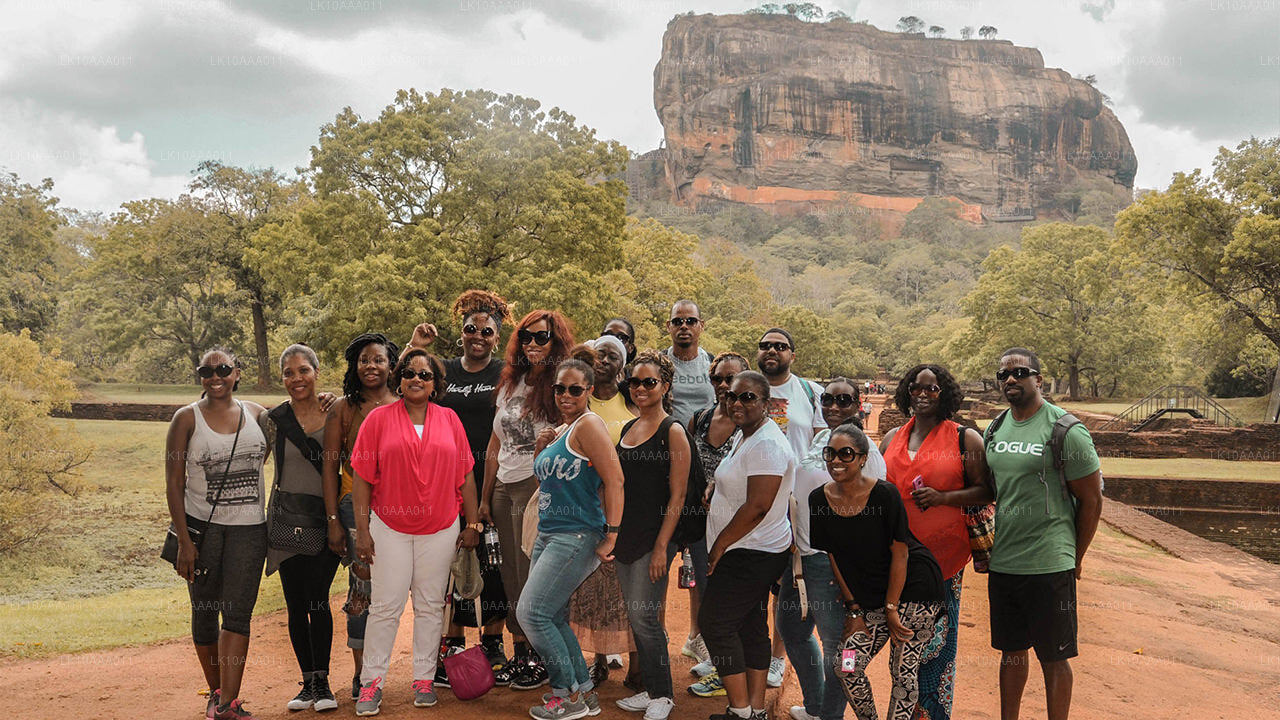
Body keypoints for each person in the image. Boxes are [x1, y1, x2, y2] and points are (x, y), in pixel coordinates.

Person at [350, 348, 483, 716]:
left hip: (440, 528)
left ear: (436, 384)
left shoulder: (450, 419)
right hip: (389, 527)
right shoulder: (378, 420)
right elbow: (362, 480)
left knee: (429, 608)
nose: (416, 380)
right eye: (409, 373)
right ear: (399, 378)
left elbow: (467, 476)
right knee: (385, 607)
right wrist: (362, 531)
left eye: (425, 375)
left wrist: (472, 524)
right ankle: (371, 683)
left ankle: (423, 679)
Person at [985, 348, 1102, 720]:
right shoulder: (996, 427)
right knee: (1011, 651)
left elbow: (1092, 501)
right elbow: (992, 490)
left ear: (1039, 378)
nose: (1010, 380)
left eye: (1020, 372)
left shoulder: (1066, 429)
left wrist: (1075, 556)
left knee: (1055, 655)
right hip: (1005, 559)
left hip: (1050, 560)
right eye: (1003, 375)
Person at [405, 290, 515, 684]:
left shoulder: (505, 374)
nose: (478, 336)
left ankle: (491, 643)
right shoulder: (443, 370)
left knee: (494, 564)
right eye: (471, 329)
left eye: (486, 331)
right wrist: (416, 345)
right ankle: (450, 646)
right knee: (447, 566)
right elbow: (402, 379)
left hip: (491, 480)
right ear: (461, 332)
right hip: (441, 483)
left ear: (496, 337)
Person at [878, 364, 992, 720]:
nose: (922, 394)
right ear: (907, 392)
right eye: (915, 388)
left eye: (932, 388)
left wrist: (943, 498)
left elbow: (987, 489)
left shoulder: (964, 438)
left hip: (943, 562)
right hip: (895, 560)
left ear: (945, 393)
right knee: (902, 647)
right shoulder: (892, 437)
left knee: (936, 651)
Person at [809, 422, 944, 720]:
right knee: (845, 665)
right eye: (829, 453)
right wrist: (854, 609)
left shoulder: (885, 495)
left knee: (902, 671)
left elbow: (901, 552)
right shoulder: (818, 500)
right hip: (872, 599)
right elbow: (834, 555)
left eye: (845, 454)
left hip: (914, 588)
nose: (835, 461)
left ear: (861, 458)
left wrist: (892, 607)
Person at [164, 348, 269, 720]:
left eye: (223, 368)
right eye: (207, 371)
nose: (216, 376)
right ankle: (215, 691)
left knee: (238, 614)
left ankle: (228, 704)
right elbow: (173, 484)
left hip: (249, 530)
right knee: (205, 612)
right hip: (202, 530)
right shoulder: (185, 419)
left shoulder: (257, 414)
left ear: (237, 372)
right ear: (200, 376)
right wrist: (185, 543)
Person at [519, 359, 625, 720]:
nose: (565, 394)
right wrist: (541, 448)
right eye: (560, 388)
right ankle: (585, 694)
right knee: (554, 616)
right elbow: (547, 485)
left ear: (589, 391)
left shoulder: (589, 425)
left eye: (575, 389)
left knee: (532, 614)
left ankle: (567, 697)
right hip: (549, 532)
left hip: (576, 533)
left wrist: (612, 535)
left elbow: (615, 480)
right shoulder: (564, 430)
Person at [479, 309, 576, 689]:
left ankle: (542, 658)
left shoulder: (559, 385)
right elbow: (494, 443)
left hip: (538, 490)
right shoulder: (509, 383)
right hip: (504, 487)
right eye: (526, 337)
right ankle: (523, 654)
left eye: (542, 337)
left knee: (531, 573)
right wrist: (486, 496)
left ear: (556, 342)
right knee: (511, 575)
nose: (533, 344)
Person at [782, 379, 887, 720]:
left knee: (838, 649)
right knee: (793, 631)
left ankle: (830, 714)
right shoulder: (819, 440)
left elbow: (875, 516)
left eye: (844, 399)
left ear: (858, 404)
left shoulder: (865, 453)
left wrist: (854, 573)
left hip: (833, 564)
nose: (833, 405)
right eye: (827, 399)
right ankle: (816, 706)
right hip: (800, 556)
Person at [699, 371, 795, 720]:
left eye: (748, 397)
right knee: (749, 625)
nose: (737, 403)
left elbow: (758, 506)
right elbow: (739, 480)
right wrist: (716, 487)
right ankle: (754, 709)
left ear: (766, 403)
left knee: (715, 624)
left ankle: (738, 710)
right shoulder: (747, 435)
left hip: (750, 551)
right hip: (750, 548)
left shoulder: (767, 443)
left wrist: (720, 545)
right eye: (732, 397)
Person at [263, 344, 342, 712]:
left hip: (325, 520)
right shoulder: (274, 420)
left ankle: (324, 683)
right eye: (289, 373)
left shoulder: (336, 411)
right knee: (295, 605)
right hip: (285, 522)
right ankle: (307, 683)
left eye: (303, 371)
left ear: (316, 371)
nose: (296, 379)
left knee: (317, 599)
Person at [323, 333, 401, 702]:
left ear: (391, 365)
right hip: (354, 506)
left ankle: (420, 667)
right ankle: (361, 673)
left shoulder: (405, 402)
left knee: (399, 589)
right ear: (355, 365)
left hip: (401, 508)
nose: (371, 366)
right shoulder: (344, 408)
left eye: (379, 360)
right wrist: (332, 520)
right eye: (364, 360)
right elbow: (329, 466)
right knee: (362, 588)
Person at [613, 351, 689, 720]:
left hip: (654, 538)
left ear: (665, 386)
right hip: (627, 535)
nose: (640, 388)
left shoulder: (672, 431)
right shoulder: (629, 428)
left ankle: (663, 694)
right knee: (635, 614)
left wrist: (662, 547)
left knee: (645, 617)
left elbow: (679, 495)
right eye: (635, 382)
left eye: (649, 382)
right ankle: (649, 688)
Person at [756, 327, 826, 689]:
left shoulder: (809, 392)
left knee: (787, 581)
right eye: (765, 345)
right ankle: (748, 652)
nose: (772, 351)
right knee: (751, 577)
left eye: (780, 346)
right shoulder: (747, 386)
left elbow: (821, 444)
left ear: (792, 355)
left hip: (794, 503)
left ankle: (777, 659)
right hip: (753, 500)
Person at [573, 338, 638, 688]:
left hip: (625, 506)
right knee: (592, 588)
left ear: (622, 365)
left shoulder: (632, 401)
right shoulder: (580, 397)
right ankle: (597, 660)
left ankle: (634, 663)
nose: (603, 361)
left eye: (612, 356)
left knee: (623, 588)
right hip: (586, 504)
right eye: (599, 354)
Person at [685, 351, 750, 696]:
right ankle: (718, 662)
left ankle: (731, 673)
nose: (724, 385)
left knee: (731, 598)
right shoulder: (701, 418)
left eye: (731, 379)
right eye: (717, 379)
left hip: (735, 525)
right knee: (708, 592)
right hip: (700, 523)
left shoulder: (749, 425)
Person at [664, 300, 716, 428]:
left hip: (706, 441)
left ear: (701, 325)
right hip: (667, 440)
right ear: (668, 326)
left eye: (691, 321)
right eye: (677, 322)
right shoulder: (659, 364)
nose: (684, 326)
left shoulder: (713, 364)